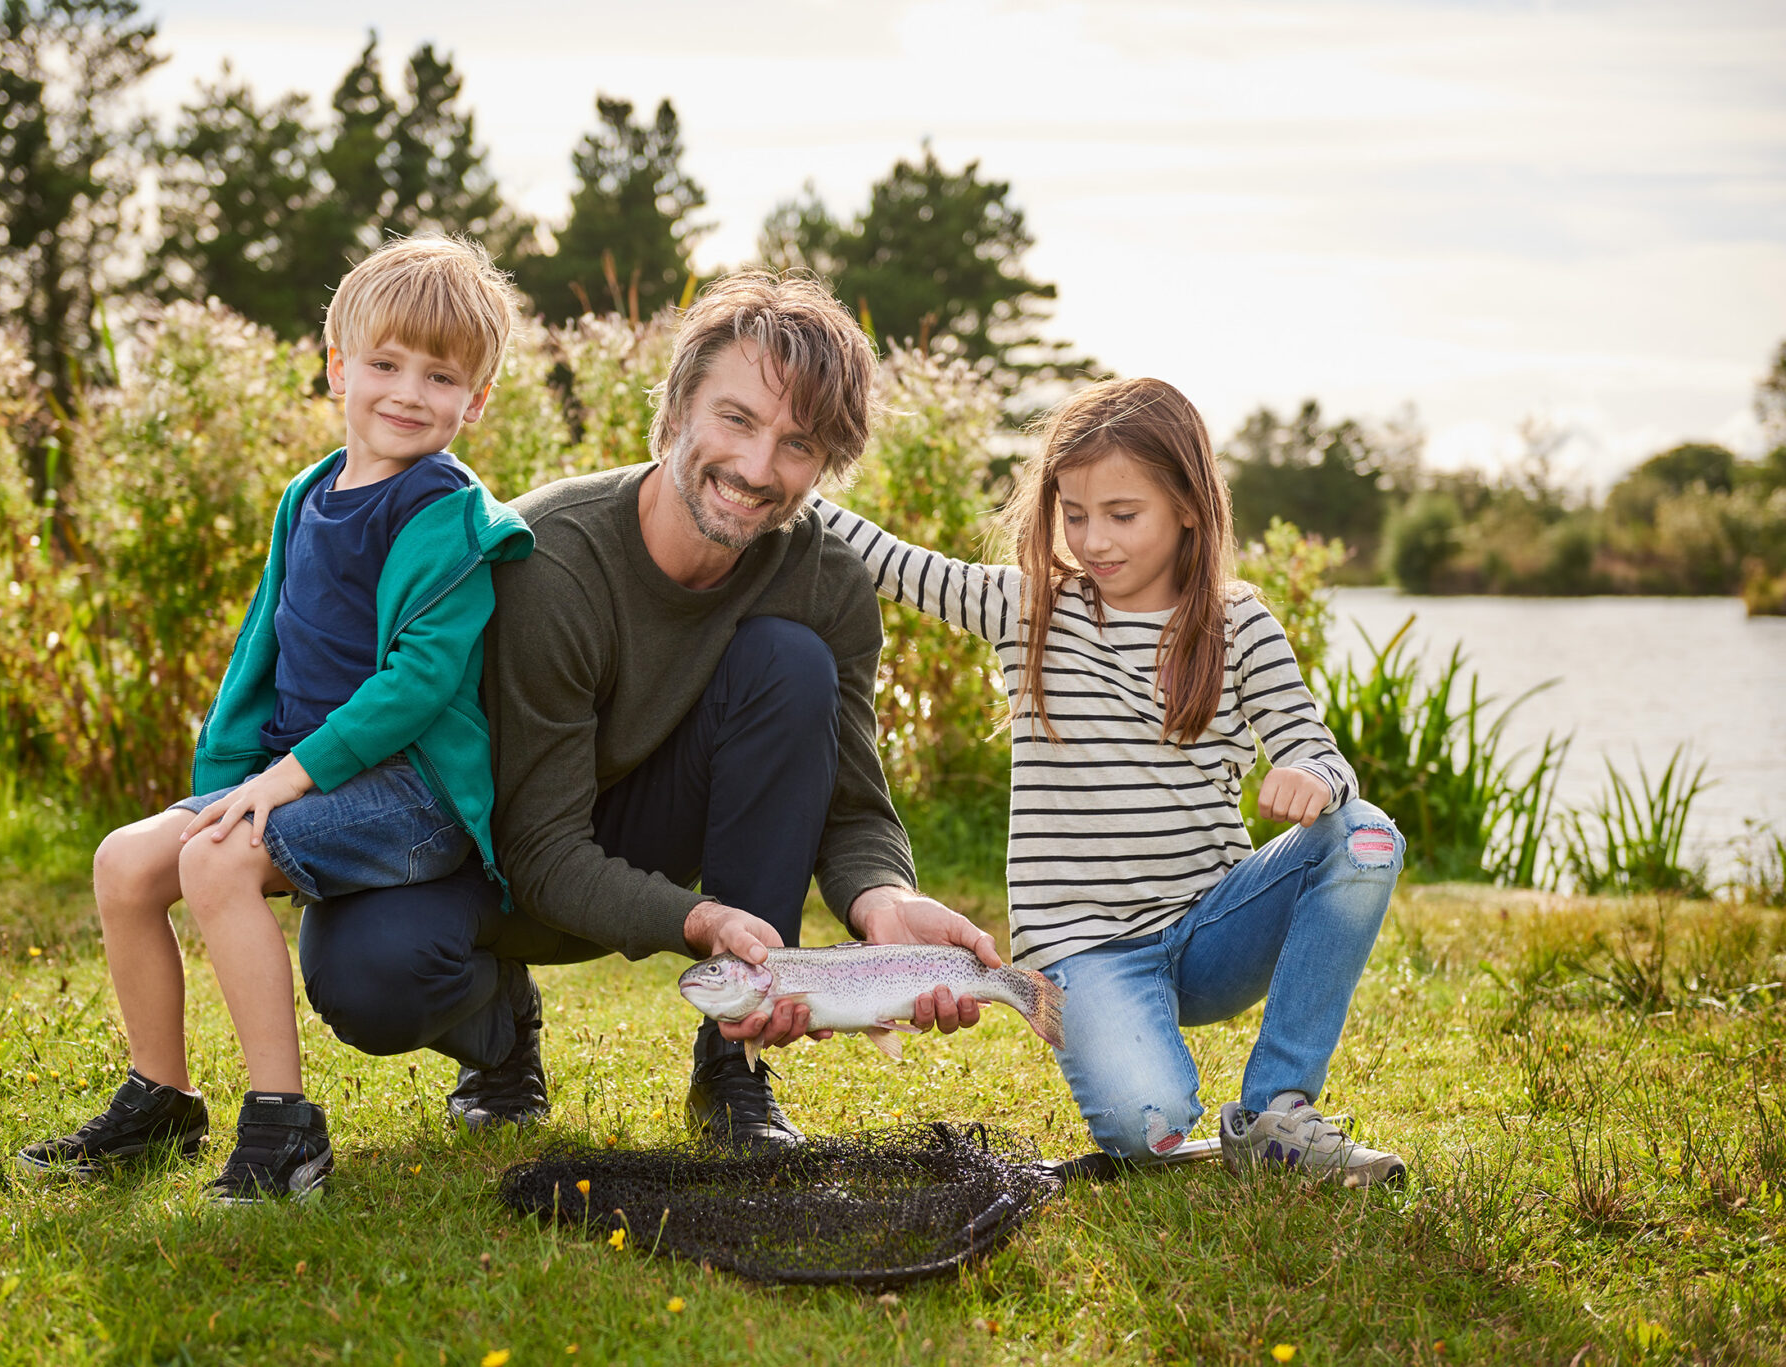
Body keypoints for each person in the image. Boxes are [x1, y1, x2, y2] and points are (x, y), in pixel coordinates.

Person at [297, 271, 999, 1147]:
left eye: (797, 443)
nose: (755, 467)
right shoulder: (553, 559)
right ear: (673, 413)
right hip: (490, 860)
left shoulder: (825, 579)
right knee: (363, 972)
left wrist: (884, 902)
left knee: (790, 661)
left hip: (643, 834)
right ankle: (501, 1034)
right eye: (735, 419)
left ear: (826, 465)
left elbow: (853, 804)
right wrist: (699, 921)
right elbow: (539, 850)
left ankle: (733, 1063)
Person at [15, 236, 533, 1202]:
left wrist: (277, 786)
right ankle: (161, 1094)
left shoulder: (449, 515)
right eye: (384, 364)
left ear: (477, 400)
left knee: (218, 858)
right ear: (337, 363)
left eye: (441, 376)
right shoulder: (308, 494)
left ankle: (285, 1128)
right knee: (128, 863)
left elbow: (416, 687)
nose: (407, 392)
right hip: (301, 771)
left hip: (410, 789)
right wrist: (227, 780)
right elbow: (266, 647)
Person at [808, 376, 1409, 1187]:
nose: (1094, 539)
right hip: (1087, 955)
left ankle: (1280, 1115)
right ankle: (1159, 1100)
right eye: (1075, 513)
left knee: (1366, 832)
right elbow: (890, 561)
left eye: (1123, 515)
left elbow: (1320, 752)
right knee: (1141, 1127)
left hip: (1211, 926)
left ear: (1188, 507)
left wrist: (1310, 775)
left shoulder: (1239, 625)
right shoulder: (1030, 610)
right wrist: (772, 479)